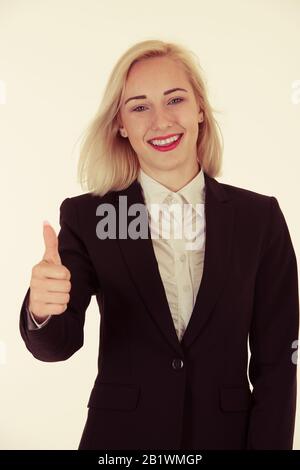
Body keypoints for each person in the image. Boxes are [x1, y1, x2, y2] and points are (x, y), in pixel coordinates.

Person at [19, 39, 299, 450]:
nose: (161, 120)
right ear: (120, 124)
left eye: (175, 100)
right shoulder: (89, 217)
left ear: (200, 109)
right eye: (139, 106)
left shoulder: (260, 219)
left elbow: (278, 363)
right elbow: (57, 345)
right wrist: (42, 310)